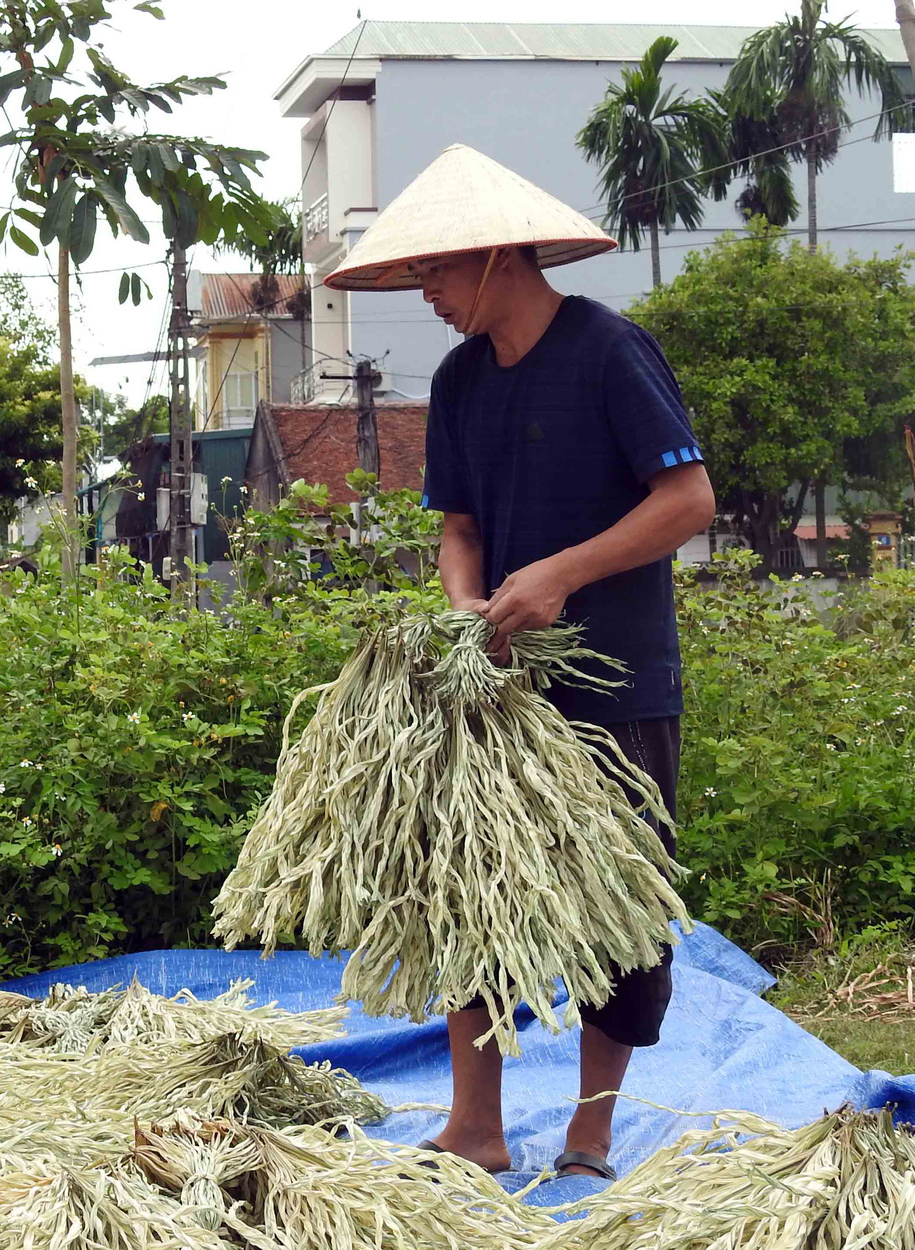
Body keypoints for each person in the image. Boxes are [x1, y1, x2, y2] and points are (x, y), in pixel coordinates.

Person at [321, 145, 718, 1181]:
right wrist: (464, 608)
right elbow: (456, 525)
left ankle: (589, 1132)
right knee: (468, 886)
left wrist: (560, 575)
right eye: (418, 277)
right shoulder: (456, 383)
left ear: (498, 257)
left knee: (620, 914)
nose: (430, 295)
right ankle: (476, 1124)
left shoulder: (606, 351)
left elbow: (687, 501)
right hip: (495, 693)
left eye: (438, 273)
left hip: (617, 682)